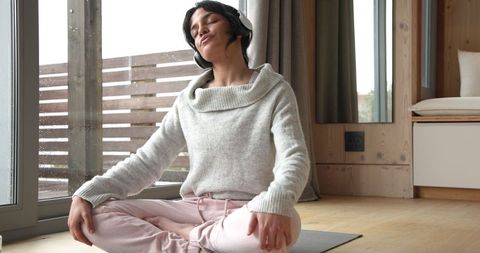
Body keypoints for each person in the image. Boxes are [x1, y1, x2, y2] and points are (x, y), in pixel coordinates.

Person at [67, 1, 310, 252]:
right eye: (194, 31)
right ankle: (199, 243)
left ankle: (189, 235)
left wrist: (274, 202)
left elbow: (294, 157)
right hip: (192, 208)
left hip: (247, 211)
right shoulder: (188, 100)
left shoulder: (274, 89)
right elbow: (148, 161)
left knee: (285, 222)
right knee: (95, 216)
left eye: (210, 21)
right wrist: (88, 192)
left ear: (239, 28)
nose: (200, 31)